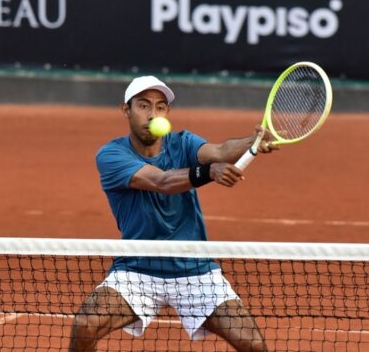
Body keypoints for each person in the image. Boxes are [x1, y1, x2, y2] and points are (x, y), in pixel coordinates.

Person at [69, 76, 274, 351]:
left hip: (196, 271)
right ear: (125, 110)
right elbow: (162, 182)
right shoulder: (111, 155)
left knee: (253, 344)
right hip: (137, 270)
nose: (153, 114)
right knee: (85, 324)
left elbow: (221, 151)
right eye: (143, 105)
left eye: (160, 107)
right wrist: (208, 171)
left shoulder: (184, 143)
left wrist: (254, 141)